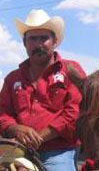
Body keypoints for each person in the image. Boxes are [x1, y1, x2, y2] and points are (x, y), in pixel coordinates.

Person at [0, 9, 86, 170]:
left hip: (58, 151)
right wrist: (14, 128)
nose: (38, 44)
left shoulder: (71, 70)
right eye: (32, 39)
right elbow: (3, 113)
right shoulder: (12, 78)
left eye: (44, 38)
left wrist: (37, 137)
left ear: (55, 41)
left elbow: (75, 112)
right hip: (18, 149)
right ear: (25, 43)